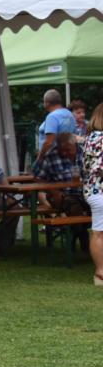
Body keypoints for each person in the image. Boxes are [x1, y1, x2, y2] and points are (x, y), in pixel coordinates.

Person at [81, 104, 103, 285]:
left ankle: (100, 273)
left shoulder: (90, 137)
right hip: (101, 189)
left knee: (98, 232)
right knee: (99, 232)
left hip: (92, 190)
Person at [38, 89, 77, 159]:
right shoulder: (70, 114)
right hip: (68, 155)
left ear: (47, 103)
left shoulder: (52, 117)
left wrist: (39, 158)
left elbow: (49, 142)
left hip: (52, 157)